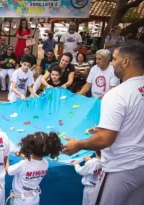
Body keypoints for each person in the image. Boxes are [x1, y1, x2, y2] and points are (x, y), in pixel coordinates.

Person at [63, 40, 144, 205]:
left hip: (121, 168)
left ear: (126, 61)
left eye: (114, 59)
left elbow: (104, 139)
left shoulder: (117, 94)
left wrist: (78, 145)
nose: (113, 64)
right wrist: (104, 127)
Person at [6, 132, 63, 205]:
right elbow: (33, 163)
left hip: (21, 201)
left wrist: (6, 156)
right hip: (34, 198)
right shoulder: (45, 163)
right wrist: (22, 155)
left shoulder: (23, 165)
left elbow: (8, 171)